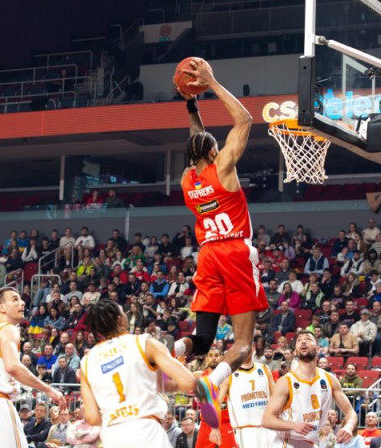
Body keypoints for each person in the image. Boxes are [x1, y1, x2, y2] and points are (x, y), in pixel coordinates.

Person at [174, 58, 269, 429]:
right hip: (234, 250)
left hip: (208, 255)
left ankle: (173, 355)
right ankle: (213, 385)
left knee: (202, 337)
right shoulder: (223, 169)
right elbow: (244, 119)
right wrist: (211, 83)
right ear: (215, 153)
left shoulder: (187, 181)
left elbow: (196, 141)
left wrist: (191, 105)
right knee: (244, 344)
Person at [80, 300, 198, 448]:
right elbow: (188, 382)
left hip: (112, 436)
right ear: (120, 319)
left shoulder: (86, 361)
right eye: (124, 311)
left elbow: (92, 417)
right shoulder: (142, 342)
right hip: (146, 432)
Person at [0, 287, 66, 448]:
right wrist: (49, 389)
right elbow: (13, 367)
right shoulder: (9, 329)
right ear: (1, 308)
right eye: (15, 299)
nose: (22, 302)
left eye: (21, 299)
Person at [262, 330, 357, 448]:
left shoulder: (329, 379)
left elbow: (350, 412)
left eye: (307, 339)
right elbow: (266, 420)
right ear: (295, 352)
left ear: (317, 348)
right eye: (299, 340)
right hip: (287, 442)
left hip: (310, 443)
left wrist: (349, 427)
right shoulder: (286, 382)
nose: (303, 342)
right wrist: (294, 425)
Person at [217, 349, 275, 447]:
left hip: (268, 427)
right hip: (245, 430)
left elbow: (276, 396)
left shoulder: (265, 369)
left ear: (253, 348)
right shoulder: (228, 374)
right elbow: (217, 403)